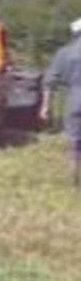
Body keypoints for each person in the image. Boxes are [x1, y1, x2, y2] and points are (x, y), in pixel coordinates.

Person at [40, 17, 81, 187]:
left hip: (74, 101)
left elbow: (49, 82)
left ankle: (75, 179)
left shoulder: (64, 53)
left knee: (75, 141)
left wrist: (46, 106)